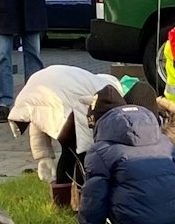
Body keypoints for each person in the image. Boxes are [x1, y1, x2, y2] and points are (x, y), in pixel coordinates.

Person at [77, 89, 175, 224]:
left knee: (103, 190)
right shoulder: (165, 142)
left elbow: (93, 204)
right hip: (171, 217)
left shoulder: (100, 151)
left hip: (132, 222)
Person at [8, 63, 121, 208]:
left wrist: (43, 156)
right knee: (83, 156)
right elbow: (87, 133)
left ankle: (61, 204)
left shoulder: (85, 80)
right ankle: (85, 206)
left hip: (36, 91)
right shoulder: (106, 90)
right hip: (64, 106)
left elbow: (36, 116)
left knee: (68, 152)